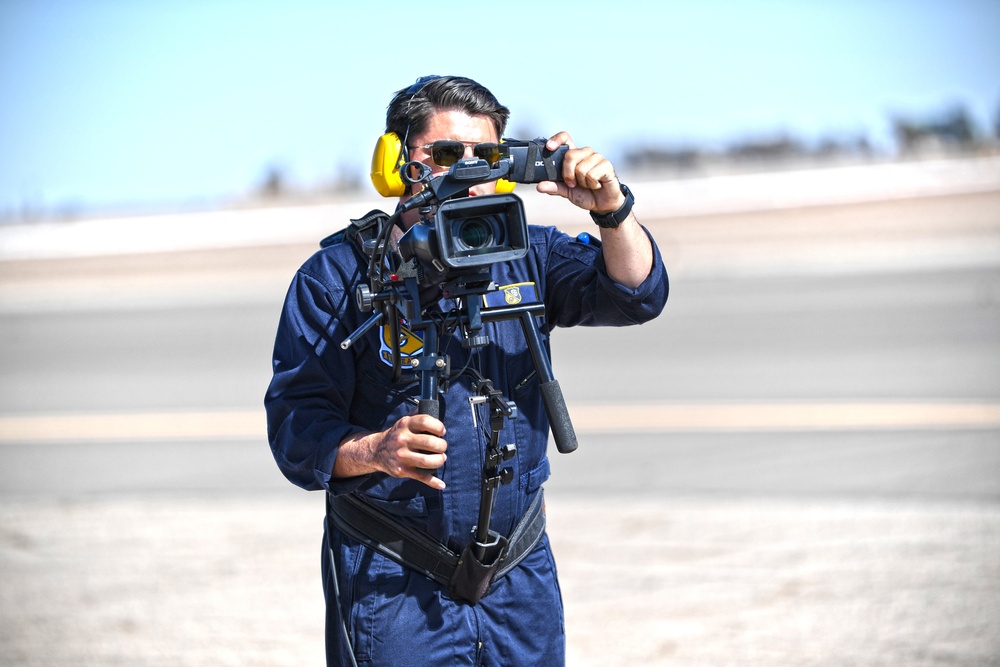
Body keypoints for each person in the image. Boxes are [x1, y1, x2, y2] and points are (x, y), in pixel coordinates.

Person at [265, 75, 669, 666]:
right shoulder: (336, 278)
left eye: (488, 157)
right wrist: (375, 450)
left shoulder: (528, 253)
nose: (471, 172)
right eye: (449, 155)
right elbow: (296, 432)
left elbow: (636, 294)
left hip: (516, 572)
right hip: (394, 572)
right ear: (396, 162)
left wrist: (612, 208)